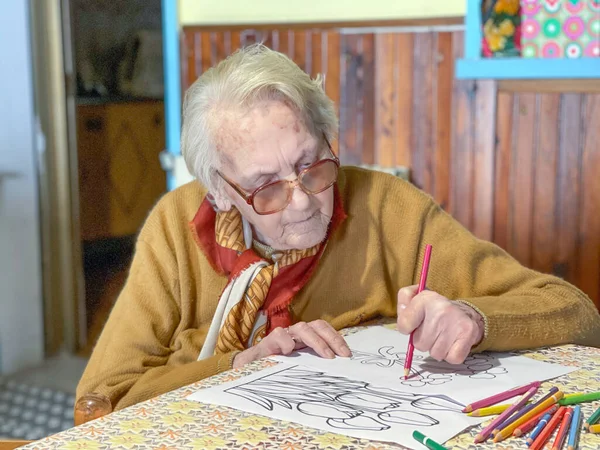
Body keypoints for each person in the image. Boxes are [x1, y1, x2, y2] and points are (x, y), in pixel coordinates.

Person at [77, 44, 600, 411]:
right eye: (267, 187)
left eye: (313, 165)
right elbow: (102, 399)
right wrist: (240, 364)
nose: (302, 201)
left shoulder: (388, 207)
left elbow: (576, 313)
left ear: (329, 135)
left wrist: (472, 317)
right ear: (220, 190)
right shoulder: (177, 227)